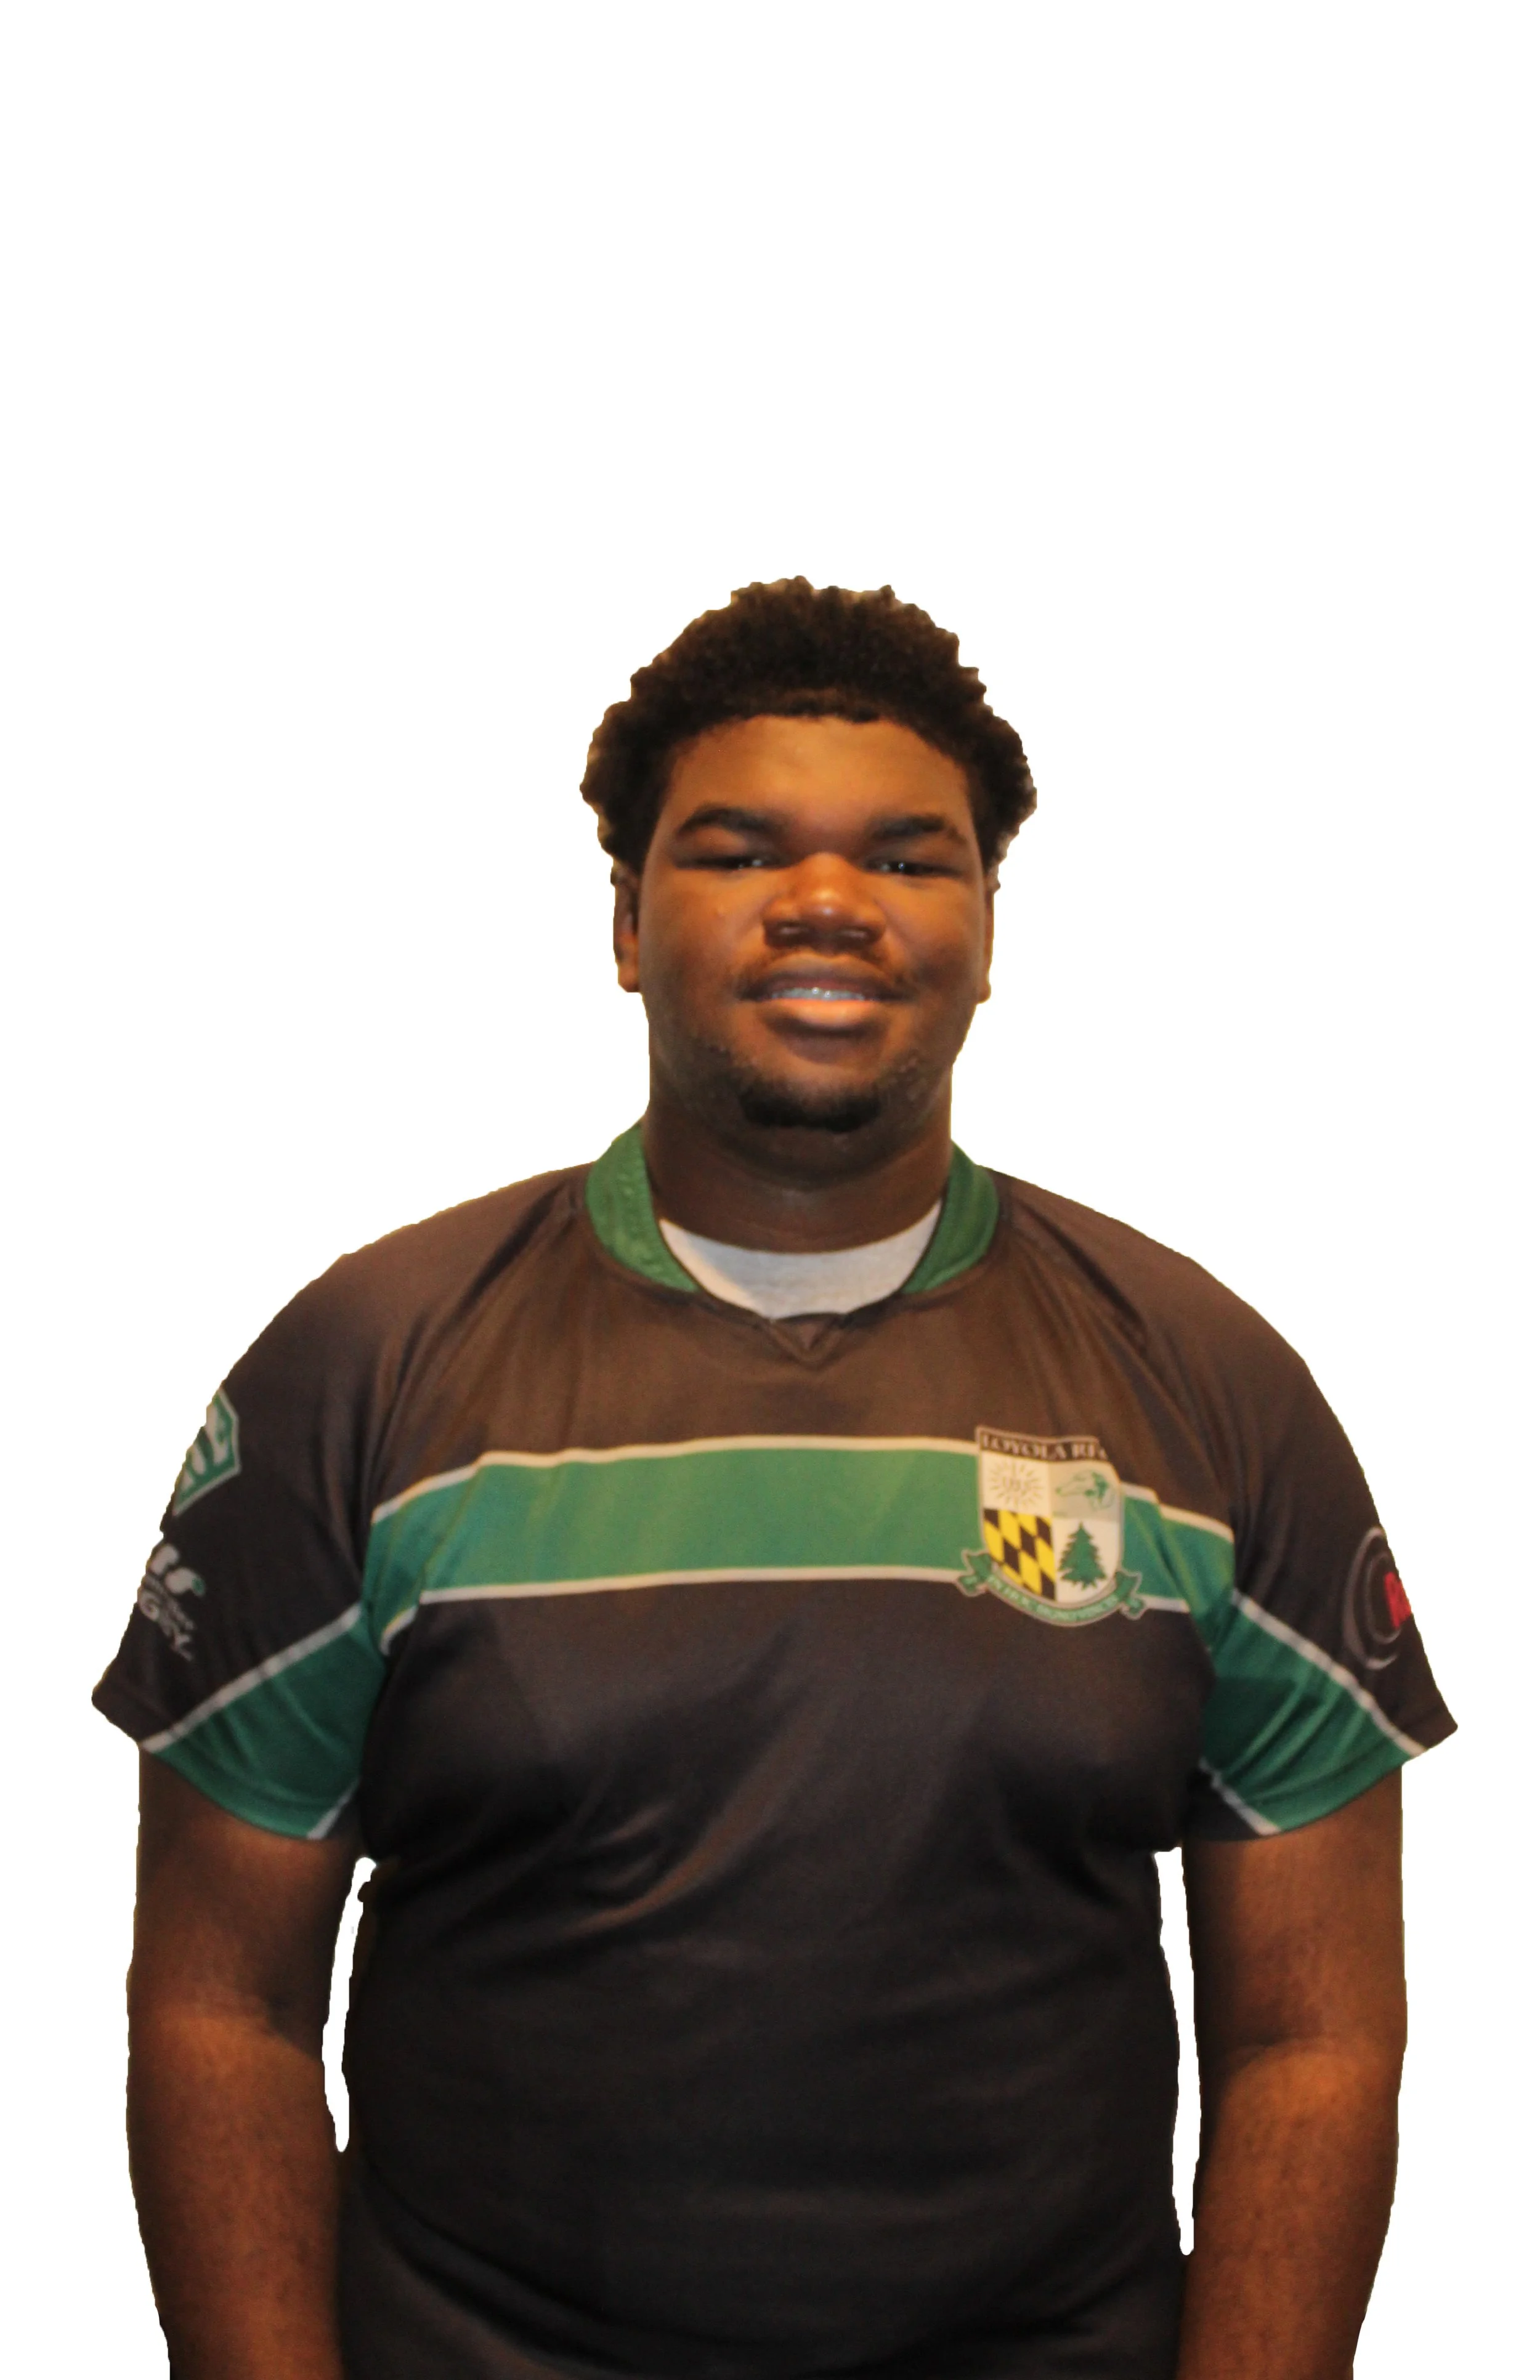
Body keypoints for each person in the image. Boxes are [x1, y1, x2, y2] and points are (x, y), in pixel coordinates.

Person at [97, 580, 1454, 2380]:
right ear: (625, 925)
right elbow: (219, 2006)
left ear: (985, 930)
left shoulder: (1211, 1389)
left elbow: (1311, 2034)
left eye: (910, 859)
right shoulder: (367, 1366)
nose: (827, 905)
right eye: (738, 849)